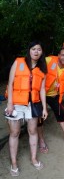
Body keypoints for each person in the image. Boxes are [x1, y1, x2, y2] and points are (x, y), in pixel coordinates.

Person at [5, 41, 48, 176]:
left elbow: (42, 89)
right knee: (14, 132)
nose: (36, 51)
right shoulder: (18, 62)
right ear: (29, 50)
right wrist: (10, 103)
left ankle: (34, 158)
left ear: (42, 52)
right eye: (33, 49)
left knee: (32, 130)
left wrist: (44, 108)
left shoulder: (42, 69)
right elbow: (10, 83)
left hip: (33, 103)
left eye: (39, 49)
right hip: (16, 103)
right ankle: (14, 163)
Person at [37, 48, 64, 153]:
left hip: (54, 95)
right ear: (58, 55)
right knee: (39, 118)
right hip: (40, 94)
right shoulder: (48, 60)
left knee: (61, 113)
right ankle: (41, 140)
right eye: (63, 55)